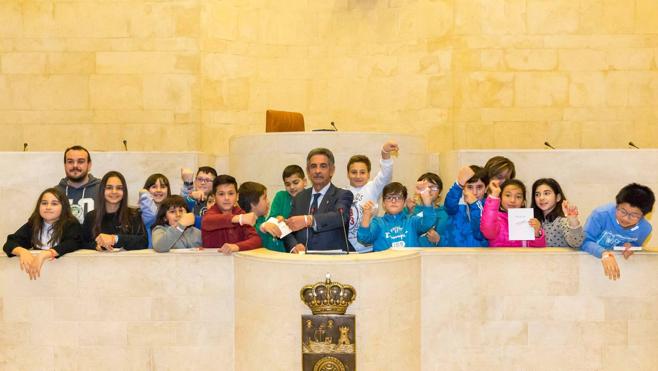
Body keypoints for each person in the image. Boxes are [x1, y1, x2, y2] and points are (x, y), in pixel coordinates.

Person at [283, 148, 354, 253]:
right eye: (313, 166)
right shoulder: (299, 197)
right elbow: (288, 228)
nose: (317, 171)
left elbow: (340, 217)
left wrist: (309, 220)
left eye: (323, 166)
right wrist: (293, 246)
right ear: (308, 171)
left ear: (332, 170)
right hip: (302, 260)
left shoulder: (343, 195)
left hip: (333, 261)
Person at [3, 188, 82, 280]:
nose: (48, 207)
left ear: (63, 207)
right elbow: (10, 243)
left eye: (54, 204)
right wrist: (22, 251)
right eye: (44, 203)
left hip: (65, 275)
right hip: (39, 277)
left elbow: (73, 243)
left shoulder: (71, 224)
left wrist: (45, 254)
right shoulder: (33, 224)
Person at [582, 183, 655, 280]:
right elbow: (584, 241)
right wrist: (604, 253)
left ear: (643, 215)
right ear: (617, 205)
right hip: (587, 265)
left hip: (614, 272)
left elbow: (636, 245)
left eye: (634, 215)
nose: (626, 218)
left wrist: (631, 247)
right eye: (622, 211)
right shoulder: (600, 215)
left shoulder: (645, 229)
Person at [346, 140, 397, 253]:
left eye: (362, 172)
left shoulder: (372, 187)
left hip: (369, 247)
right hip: (348, 249)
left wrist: (385, 153)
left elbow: (385, 174)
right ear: (348, 174)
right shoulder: (342, 193)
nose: (358, 176)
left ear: (369, 174)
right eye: (354, 172)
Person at [357, 181, 435, 251]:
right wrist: (366, 216)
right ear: (383, 203)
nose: (393, 201)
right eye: (389, 197)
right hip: (385, 265)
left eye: (398, 197)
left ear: (404, 202)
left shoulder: (412, 220)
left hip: (409, 265)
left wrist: (426, 200)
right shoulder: (378, 222)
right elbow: (364, 238)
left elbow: (428, 223)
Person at [82, 171, 148, 251]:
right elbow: (82, 243)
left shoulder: (134, 214)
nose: (114, 192)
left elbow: (143, 242)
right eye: (109, 187)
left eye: (119, 188)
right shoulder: (91, 217)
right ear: (102, 190)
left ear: (124, 191)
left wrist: (115, 239)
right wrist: (95, 245)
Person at [201, 175, 261, 254]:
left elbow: (256, 240)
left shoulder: (240, 213)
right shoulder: (210, 214)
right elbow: (207, 221)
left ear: (237, 196)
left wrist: (236, 246)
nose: (226, 198)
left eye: (231, 193)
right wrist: (238, 219)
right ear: (214, 197)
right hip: (211, 262)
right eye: (221, 194)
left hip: (236, 263)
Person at [480, 179, 546, 247]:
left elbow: (538, 251)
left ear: (523, 201)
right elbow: (488, 232)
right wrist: (494, 196)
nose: (512, 200)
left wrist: (537, 234)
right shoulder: (496, 219)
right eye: (508, 195)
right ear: (500, 198)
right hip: (500, 257)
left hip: (524, 257)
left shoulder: (530, 221)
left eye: (518, 197)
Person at [442, 165, 489, 247]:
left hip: (478, 254)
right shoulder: (457, 201)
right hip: (454, 252)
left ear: (486, 189)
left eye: (479, 187)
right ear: (463, 188)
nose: (474, 192)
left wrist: (475, 205)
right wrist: (458, 185)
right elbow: (449, 207)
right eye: (470, 187)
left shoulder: (489, 207)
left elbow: (480, 233)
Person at [531, 178, 584, 248]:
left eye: (546, 193)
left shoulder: (562, 222)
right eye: (537, 194)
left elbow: (576, 243)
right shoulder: (533, 221)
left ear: (558, 197)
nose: (541, 198)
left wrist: (573, 220)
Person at [55, 145, 101, 223]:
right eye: (70, 161)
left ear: (89, 165)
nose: (75, 165)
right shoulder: (55, 193)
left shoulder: (102, 190)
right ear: (65, 165)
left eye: (80, 161)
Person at [237, 181, 284, 252]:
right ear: (253, 203)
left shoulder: (264, 221)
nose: (268, 201)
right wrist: (263, 229)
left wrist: (281, 225)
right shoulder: (246, 228)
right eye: (264, 198)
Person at [406, 172, 449, 247]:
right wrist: (409, 213)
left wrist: (439, 240)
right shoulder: (409, 209)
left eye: (433, 187)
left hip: (437, 256)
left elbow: (454, 240)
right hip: (414, 256)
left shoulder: (446, 213)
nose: (429, 190)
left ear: (440, 192)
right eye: (425, 187)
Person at [139, 173, 171, 247]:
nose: (158, 190)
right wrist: (144, 194)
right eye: (154, 187)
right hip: (149, 254)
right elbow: (152, 215)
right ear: (147, 190)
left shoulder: (172, 211)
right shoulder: (143, 212)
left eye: (163, 187)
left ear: (168, 190)